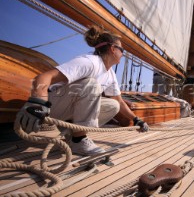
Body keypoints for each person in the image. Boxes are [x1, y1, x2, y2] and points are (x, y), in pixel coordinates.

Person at [16, 25, 149, 156]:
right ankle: (79, 140)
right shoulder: (90, 62)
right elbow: (44, 77)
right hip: (51, 108)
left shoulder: (110, 75)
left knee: (113, 105)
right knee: (91, 84)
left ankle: (72, 133)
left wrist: (137, 120)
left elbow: (119, 102)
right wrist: (38, 102)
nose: (123, 54)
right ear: (113, 49)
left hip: (66, 109)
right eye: (122, 50)